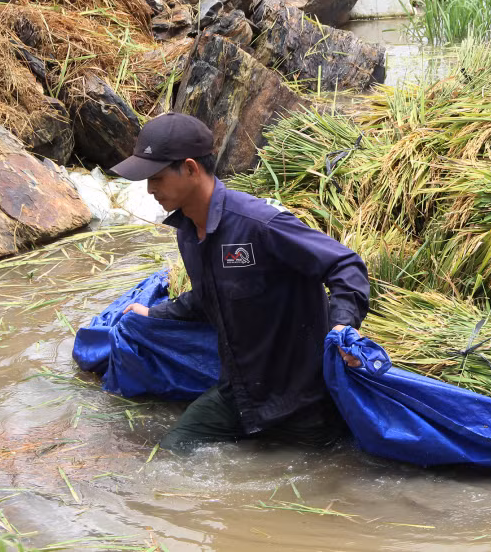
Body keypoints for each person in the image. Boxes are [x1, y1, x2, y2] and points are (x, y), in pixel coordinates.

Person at [111, 113, 370, 452]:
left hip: (303, 404)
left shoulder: (260, 224)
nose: (150, 190)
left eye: (156, 178)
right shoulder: (188, 232)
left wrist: (342, 328)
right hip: (239, 393)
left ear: (190, 168)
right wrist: (154, 314)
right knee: (170, 455)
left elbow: (345, 264)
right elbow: (209, 297)